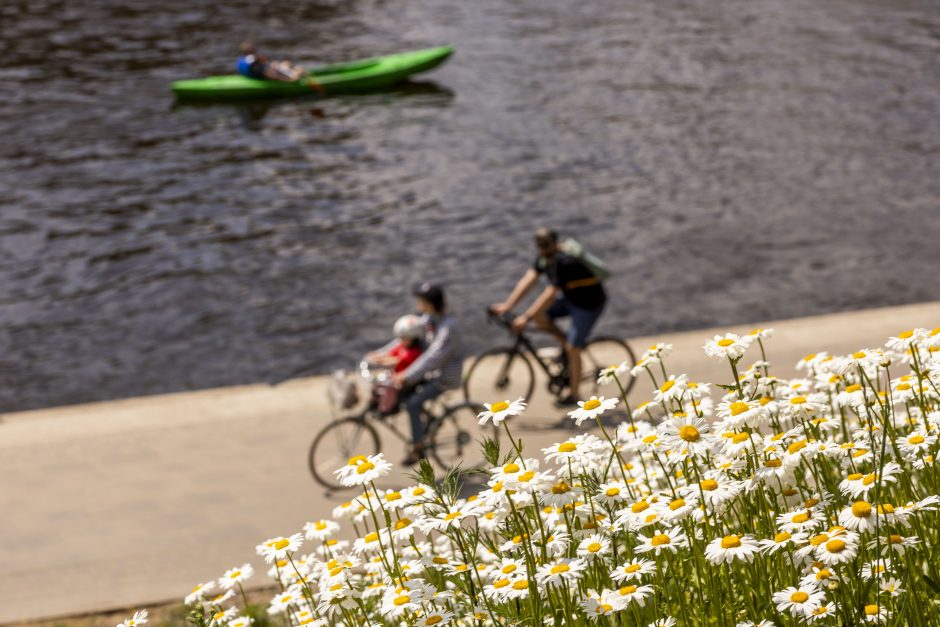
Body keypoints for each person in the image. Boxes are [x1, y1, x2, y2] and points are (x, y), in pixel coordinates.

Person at [490, 228, 607, 407]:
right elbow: (528, 280)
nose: (542, 248)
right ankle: (566, 345)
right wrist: (507, 305)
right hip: (570, 298)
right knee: (540, 317)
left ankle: (574, 394)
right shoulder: (544, 259)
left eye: (546, 245)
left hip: (588, 304)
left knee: (573, 348)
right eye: (539, 245)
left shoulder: (564, 262)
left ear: (554, 243)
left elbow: (550, 293)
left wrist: (525, 317)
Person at [391, 284, 463, 465]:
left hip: (445, 377)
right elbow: (405, 337)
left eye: (420, 300)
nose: (417, 303)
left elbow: (432, 358)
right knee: (404, 393)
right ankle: (428, 422)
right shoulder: (428, 319)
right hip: (431, 373)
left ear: (429, 303)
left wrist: (407, 375)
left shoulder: (448, 327)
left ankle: (418, 448)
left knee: (413, 404)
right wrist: (382, 355)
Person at [236, 42, 323, 92]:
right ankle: (297, 75)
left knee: (284, 64)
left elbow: (261, 64)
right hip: (268, 75)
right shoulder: (254, 59)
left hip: (258, 73)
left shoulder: (241, 60)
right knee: (291, 68)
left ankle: (301, 72)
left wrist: (270, 65)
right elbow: (264, 67)